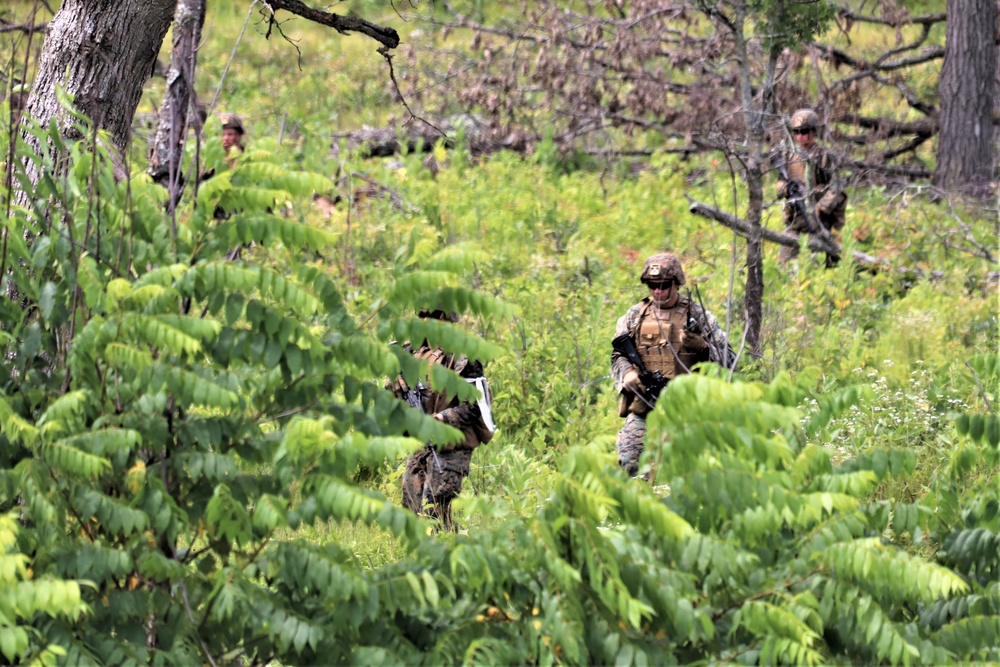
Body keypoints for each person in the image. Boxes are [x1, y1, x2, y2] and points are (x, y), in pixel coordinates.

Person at [610, 253, 729, 477]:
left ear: (676, 283)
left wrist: (703, 347)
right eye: (651, 285)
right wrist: (627, 373)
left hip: (690, 409)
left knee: (691, 472)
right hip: (647, 402)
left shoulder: (699, 316)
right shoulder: (635, 316)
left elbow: (730, 361)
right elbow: (618, 354)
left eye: (663, 285)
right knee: (630, 462)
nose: (657, 291)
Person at [390, 309, 495, 529]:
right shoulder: (411, 352)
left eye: (437, 317)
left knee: (436, 506)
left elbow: (475, 404)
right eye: (424, 317)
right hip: (422, 442)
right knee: (410, 505)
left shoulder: (464, 356)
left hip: (452, 443)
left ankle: (452, 552)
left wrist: (442, 419)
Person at [775, 108, 847, 264]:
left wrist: (820, 207)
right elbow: (780, 182)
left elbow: (836, 186)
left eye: (805, 131)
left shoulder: (824, 156)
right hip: (795, 215)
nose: (800, 136)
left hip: (818, 217)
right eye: (796, 132)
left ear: (814, 132)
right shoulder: (789, 155)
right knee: (784, 258)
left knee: (817, 257)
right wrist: (786, 188)